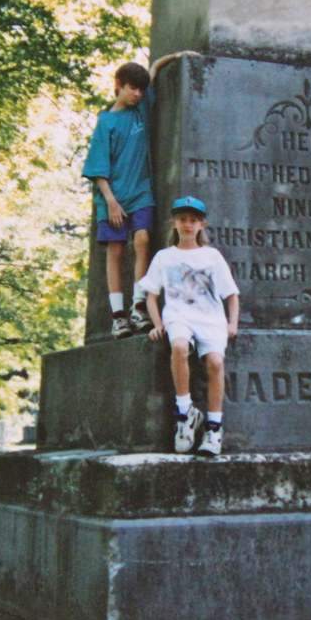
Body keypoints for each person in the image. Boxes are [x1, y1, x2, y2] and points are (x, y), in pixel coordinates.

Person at [81, 53, 192, 338]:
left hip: (141, 191)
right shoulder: (106, 122)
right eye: (132, 87)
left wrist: (178, 56)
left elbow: (153, 70)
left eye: (141, 89)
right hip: (113, 196)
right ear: (118, 85)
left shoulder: (141, 109)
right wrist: (110, 201)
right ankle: (118, 316)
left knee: (143, 240)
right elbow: (97, 168)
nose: (137, 93)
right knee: (115, 251)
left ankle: (138, 306)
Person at [140, 196, 240, 456]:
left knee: (215, 363)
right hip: (178, 315)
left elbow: (231, 294)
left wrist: (232, 323)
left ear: (201, 225)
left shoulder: (211, 256)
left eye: (193, 221)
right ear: (174, 223)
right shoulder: (164, 257)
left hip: (210, 318)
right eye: (183, 220)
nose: (187, 225)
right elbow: (150, 296)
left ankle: (214, 427)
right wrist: (157, 324)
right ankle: (184, 412)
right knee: (180, 347)